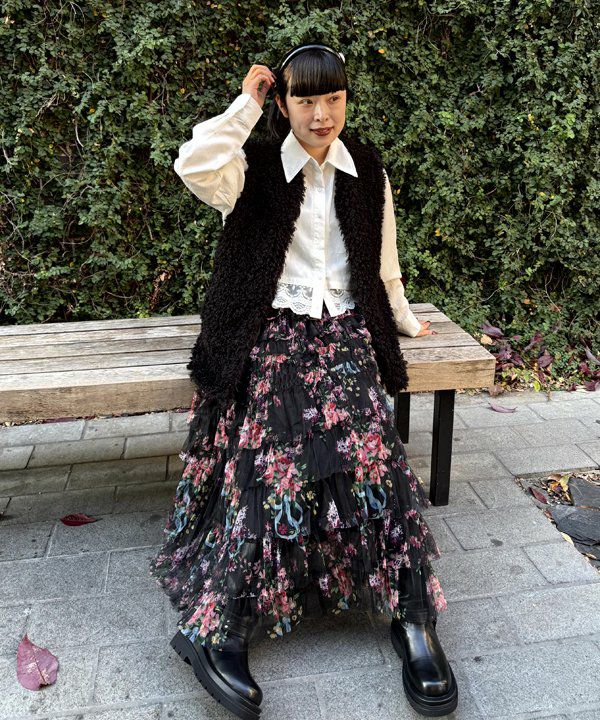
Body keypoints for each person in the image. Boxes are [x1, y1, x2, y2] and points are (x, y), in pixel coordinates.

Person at [149, 41, 458, 719]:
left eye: (334, 99)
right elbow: (192, 163)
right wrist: (245, 106)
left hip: (344, 327)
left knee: (373, 450)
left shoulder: (365, 168)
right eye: (306, 100)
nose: (322, 115)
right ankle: (223, 626)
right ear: (284, 104)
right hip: (269, 328)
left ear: (347, 99)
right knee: (275, 452)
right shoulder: (250, 167)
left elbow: (384, 262)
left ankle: (413, 615)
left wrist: (404, 321)